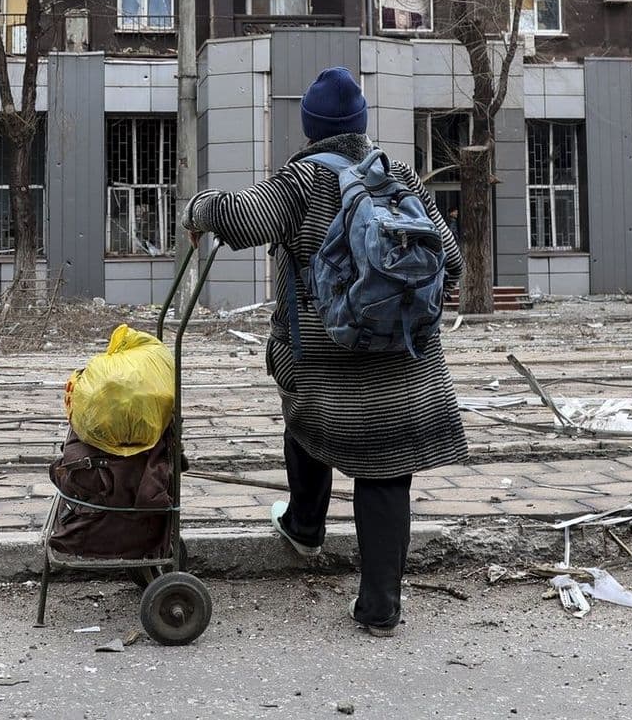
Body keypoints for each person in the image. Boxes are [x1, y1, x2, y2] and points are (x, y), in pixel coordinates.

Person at [183, 67, 467, 637]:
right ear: (360, 126)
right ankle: (380, 606)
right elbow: (452, 261)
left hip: (327, 358)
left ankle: (305, 527)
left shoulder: (302, 180)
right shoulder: (398, 176)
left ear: (310, 127)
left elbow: (238, 217)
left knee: (304, 417)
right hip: (406, 359)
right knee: (387, 472)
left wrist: (198, 209)